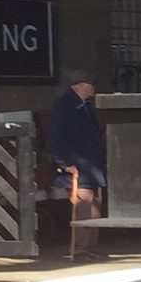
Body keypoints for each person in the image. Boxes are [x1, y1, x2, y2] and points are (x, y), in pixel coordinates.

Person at [46, 71, 106, 254]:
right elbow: (55, 139)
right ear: (79, 85)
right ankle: (80, 249)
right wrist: (65, 163)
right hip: (77, 167)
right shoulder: (64, 107)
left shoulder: (85, 107)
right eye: (89, 83)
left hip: (93, 166)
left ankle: (91, 247)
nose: (92, 87)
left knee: (95, 208)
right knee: (83, 209)